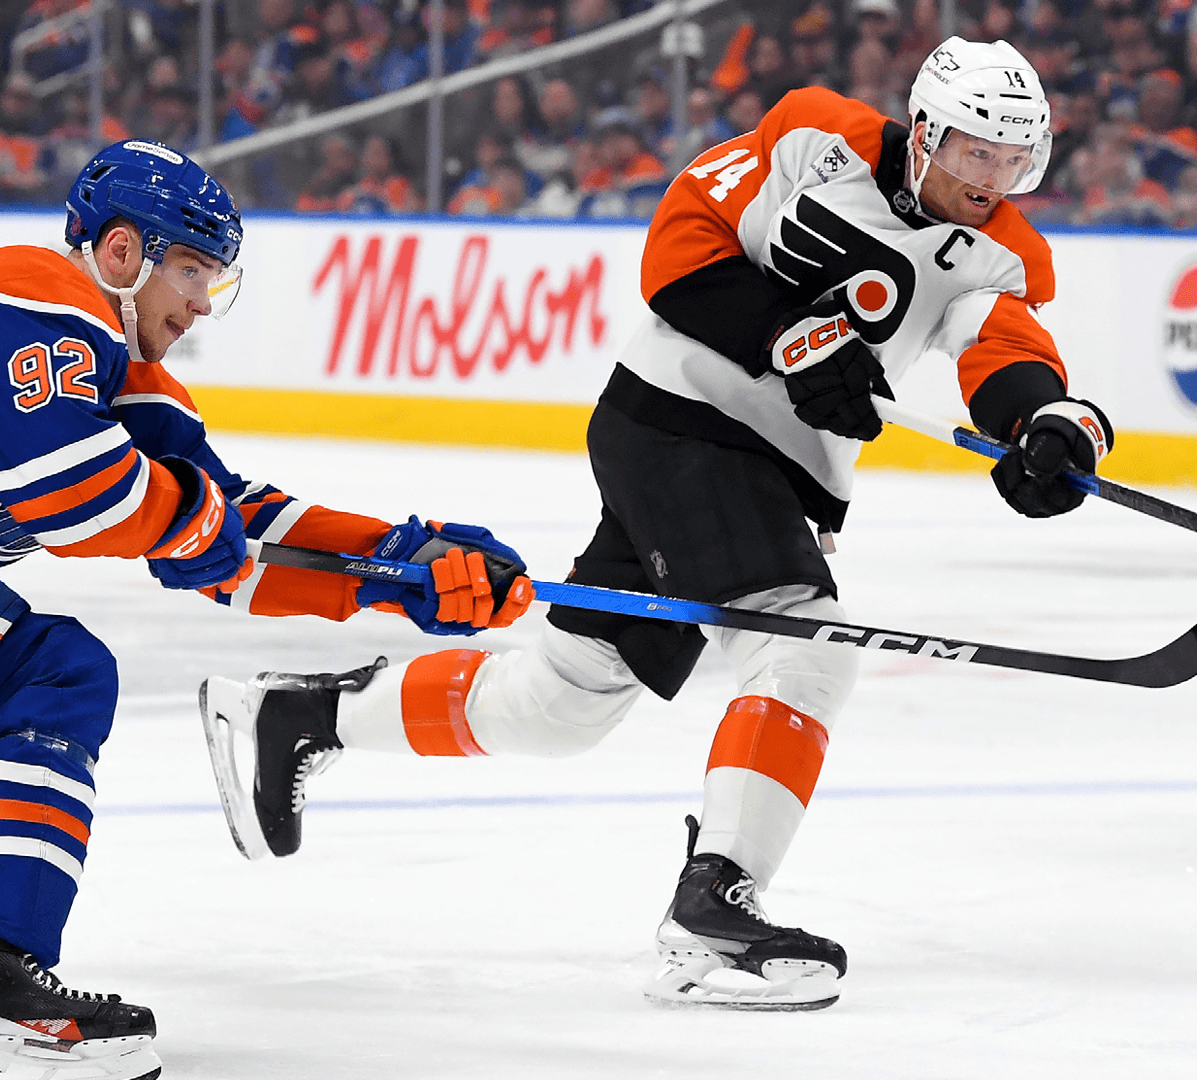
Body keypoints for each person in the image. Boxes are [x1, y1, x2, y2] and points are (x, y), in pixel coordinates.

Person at [202, 39, 1112, 1010]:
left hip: (771, 472)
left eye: (1013, 160)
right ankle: (715, 904)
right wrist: (789, 336)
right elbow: (680, 242)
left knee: (560, 703)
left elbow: (1002, 348)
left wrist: (1047, 425)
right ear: (926, 132)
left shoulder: (1004, 252)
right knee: (805, 647)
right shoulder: (815, 136)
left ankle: (299, 717)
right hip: (680, 420)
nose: (991, 179)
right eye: (976, 152)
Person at [0, 139, 531, 1080]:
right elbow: (75, 496)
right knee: (55, 674)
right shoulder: (32, 289)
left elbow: (228, 533)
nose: (202, 303)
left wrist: (398, 565)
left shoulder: (120, 376)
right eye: (191, 270)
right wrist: (197, 520)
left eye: (214, 279)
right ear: (121, 251)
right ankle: (3, 988)